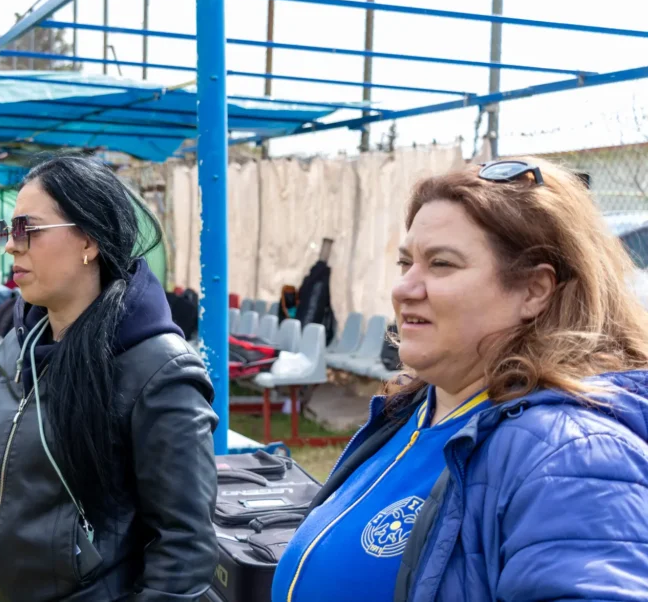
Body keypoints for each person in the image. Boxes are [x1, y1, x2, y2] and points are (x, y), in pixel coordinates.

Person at [273, 159, 648, 602]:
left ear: (533, 291)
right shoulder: (415, 412)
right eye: (406, 262)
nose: (404, 288)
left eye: (441, 264)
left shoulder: (570, 455)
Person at [0, 155, 219, 602]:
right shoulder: (17, 349)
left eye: (27, 230)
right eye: (6, 231)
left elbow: (184, 552)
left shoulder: (158, 370)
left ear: (88, 240)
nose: (11, 247)